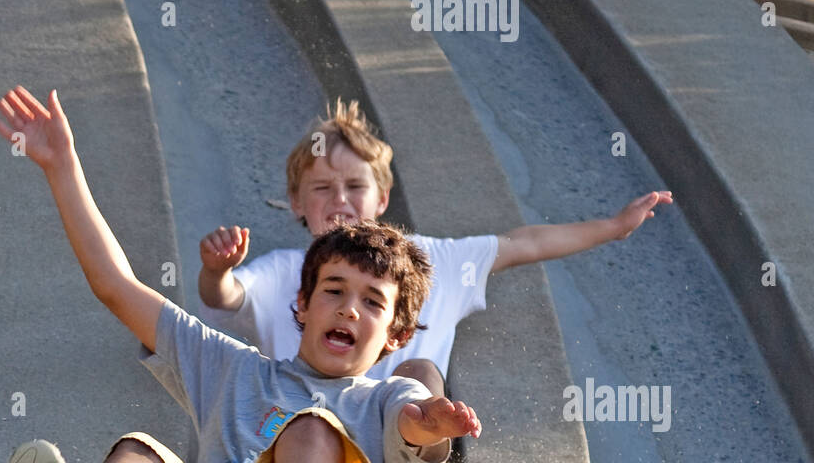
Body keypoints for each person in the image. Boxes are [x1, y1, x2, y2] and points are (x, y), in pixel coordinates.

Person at [0, 85, 481, 463]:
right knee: (139, 454)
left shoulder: (384, 398)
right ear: (301, 303)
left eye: (372, 303)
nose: (349, 310)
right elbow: (117, 289)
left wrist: (435, 427)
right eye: (333, 292)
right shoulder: (233, 368)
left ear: (397, 337)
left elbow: (420, 433)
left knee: (312, 433)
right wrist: (62, 168)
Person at [197, 98, 672, 395]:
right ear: (297, 202)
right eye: (321, 189)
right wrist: (217, 271)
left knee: (422, 376)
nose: (339, 201)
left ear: (382, 198)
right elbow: (227, 297)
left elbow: (522, 243)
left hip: (397, 445)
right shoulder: (285, 270)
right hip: (306, 426)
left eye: (354, 187)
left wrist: (611, 227)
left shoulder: (433, 261)